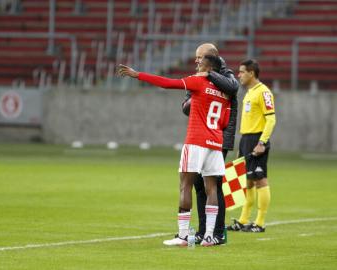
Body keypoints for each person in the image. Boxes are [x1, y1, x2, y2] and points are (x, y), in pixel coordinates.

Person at [118, 54, 231, 247]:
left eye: (201, 61)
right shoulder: (225, 91)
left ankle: (183, 236)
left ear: (209, 67)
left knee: (185, 185)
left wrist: (139, 75)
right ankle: (210, 237)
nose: (197, 63)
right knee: (212, 187)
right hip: (215, 142)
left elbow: (168, 83)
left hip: (196, 140)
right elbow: (225, 122)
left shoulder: (198, 81)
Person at [181, 43, 239, 245]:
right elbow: (185, 107)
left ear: (212, 57)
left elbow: (233, 88)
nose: (196, 61)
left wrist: (208, 75)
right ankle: (204, 231)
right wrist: (194, 101)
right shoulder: (197, 75)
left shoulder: (226, 74)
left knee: (214, 185)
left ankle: (219, 232)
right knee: (198, 184)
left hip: (218, 138)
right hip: (200, 136)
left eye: (200, 57)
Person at [227, 59, 276, 232]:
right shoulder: (249, 93)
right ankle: (243, 220)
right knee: (247, 181)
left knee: (260, 179)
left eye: (241, 72)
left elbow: (271, 118)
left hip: (257, 139)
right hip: (246, 140)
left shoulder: (263, 92)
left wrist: (262, 142)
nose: (238, 75)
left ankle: (260, 223)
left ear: (251, 73)